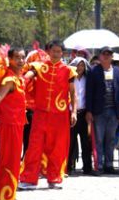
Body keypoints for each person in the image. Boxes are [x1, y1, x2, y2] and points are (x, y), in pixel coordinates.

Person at [19, 40, 77, 190]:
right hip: (40, 113)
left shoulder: (68, 71)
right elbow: (29, 75)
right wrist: (22, 80)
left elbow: (73, 93)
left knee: (57, 148)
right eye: (53, 51)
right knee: (34, 146)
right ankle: (29, 179)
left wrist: (74, 111)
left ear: (62, 53)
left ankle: (54, 178)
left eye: (59, 51)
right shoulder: (39, 66)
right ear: (49, 51)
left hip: (60, 115)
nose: (56, 54)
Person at [85, 48, 119, 175]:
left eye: (109, 54)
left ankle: (109, 165)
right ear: (100, 56)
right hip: (99, 111)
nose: (107, 56)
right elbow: (89, 92)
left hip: (114, 111)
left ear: (112, 56)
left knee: (111, 139)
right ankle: (99, 165)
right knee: (98, 139)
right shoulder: (93, 71)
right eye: (104, 54)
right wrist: (89, 111)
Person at [0, 48, 27, 200]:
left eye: (23, 57)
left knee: (14, 159)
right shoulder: (9, 80)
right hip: (9, 124)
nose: (20, 60)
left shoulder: (18, 77)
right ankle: (5, 197)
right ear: (9, 59)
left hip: (17, 123)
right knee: (9, 160)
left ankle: (8, 194)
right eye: (17, 57)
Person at [68, 57, 92, 175]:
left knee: (86, 142)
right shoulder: (69, 79)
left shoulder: (88, 79)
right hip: (71, 113)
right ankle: (68, 167)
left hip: (84, 113)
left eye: (82, 65)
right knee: (70, 142)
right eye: (78, 65)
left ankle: (87, 168)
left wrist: (90, 111)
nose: (80, 68)